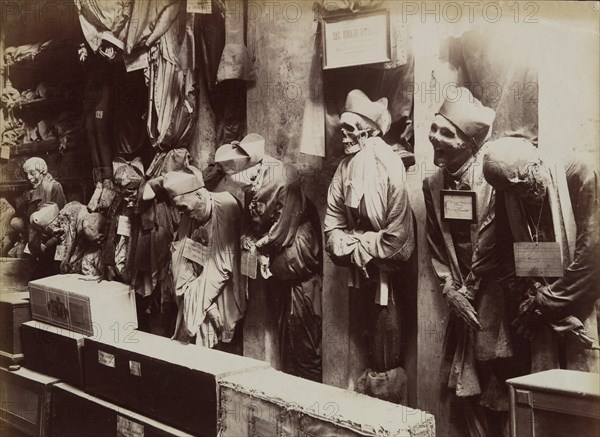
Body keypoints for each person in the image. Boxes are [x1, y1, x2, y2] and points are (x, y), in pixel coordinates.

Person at [423, 87, 528, 436]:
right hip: (460, 300)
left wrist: (473, 291)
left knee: (497, 381)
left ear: (469, 144)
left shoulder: (493, 181)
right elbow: (436, 244)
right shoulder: (433, 184)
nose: (435, 137)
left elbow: (504, 245)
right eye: (435, 129)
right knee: (464, 387)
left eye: (446, 134)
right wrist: (450, 289)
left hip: (494, 299)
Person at [323, 89, 415, 404]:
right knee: (365, 336)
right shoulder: (344, 169)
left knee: (386, 341)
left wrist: (354, 242)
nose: (343, 135)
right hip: (362, 272)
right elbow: (331, 232)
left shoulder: (389, 165)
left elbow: (398, 241)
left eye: (350, 128)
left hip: (386, 276)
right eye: (342, 128)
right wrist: (361, 245)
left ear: (369, 130)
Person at [482, 137, 599, 373]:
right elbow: (506, 257)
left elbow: (592, 258)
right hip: (538, 310)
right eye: (513, 190)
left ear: (536, 164)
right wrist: (531, 300)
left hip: (585, 301)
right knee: (545, 392)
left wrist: (543, 303)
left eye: (524, 185)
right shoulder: (508, 190)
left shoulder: (579, 173)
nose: (523, 195)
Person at [214, 133, 323, 382]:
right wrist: (247, 239)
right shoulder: (250, 180)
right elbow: (250, 220)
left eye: (243, 183)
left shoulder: (285, 179)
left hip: (295, 256)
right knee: (286, 336)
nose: (246, 190)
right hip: (278, 265)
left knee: (305, 340)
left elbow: (283, 230)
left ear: (253, 169)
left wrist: (258, 246)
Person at [161, 166, 246, 351]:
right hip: (200, 289)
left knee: (221, 342)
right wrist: (203, 304)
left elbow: (222, 266)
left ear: (199, 195)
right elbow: (181, 263)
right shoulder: (189, 215)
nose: (184, 214)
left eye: (184, 207)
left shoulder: (226, 207)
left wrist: (203, 304)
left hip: (224, 288)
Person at [18, 157, 66, 278]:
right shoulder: (29, 192)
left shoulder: (55, 187)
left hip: (52, 240)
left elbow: (61, 218)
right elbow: (27, 219)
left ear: (42, 171)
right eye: (27, 174)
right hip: (35, 240)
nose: (29, 177)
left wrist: (48, 243)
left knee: (51, 273)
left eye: (32, 173)